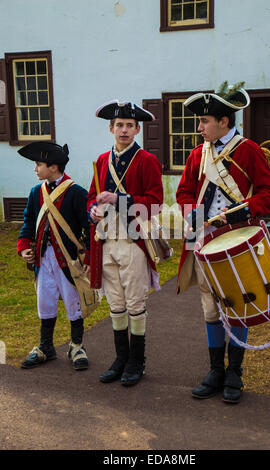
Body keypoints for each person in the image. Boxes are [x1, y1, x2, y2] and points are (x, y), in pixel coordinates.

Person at [176, 82, 270, 403]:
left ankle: (235, 372)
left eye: (204, 120)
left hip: (238, 241)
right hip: (205, 243)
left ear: (224, 121)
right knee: (209, 308)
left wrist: (235, 217)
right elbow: (184, 193)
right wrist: (191, 214)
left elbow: (268, 193)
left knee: (239, 306)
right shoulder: (197, 155)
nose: (199, 127)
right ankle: (215, 371)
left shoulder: (248, 150)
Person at [88, 100, 163, 386]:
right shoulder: (100, 161)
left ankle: (137, 361)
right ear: (111, 128)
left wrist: (118, 199)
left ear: (137, 129)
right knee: (116, 304)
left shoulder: (146, 161)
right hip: (106, 239)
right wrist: (92, 211)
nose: (124, 130)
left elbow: (155, 203)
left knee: (134, 304)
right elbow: (92, 196)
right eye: (119, 125)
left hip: (133, 240)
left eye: (129, 126)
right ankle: (120, 359)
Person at [17, 142, 90, 370]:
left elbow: (89, 228)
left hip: (67, 260)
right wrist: (24, 247)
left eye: (39, 164)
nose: (35, 169)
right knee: (45, 302)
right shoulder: (35, 193)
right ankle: (46, 347)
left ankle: (77, 346)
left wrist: (87, 257)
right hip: (43, 260)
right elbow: (28, 223)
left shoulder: (77, 193)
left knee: (73, 302)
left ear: (54, 167)